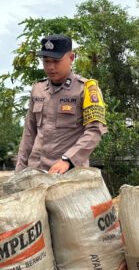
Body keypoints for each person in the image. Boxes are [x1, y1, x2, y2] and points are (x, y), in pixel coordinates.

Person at [15, 34, 107, 173]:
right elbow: (29, 133)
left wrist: (68, 160)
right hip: (35, 173)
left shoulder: (87, 89)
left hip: (69, 174)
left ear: (71, 58)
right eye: (46, 61)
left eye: (56, 61)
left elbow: (95, 130)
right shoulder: (38, 89)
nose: (50, 67)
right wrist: (19, 171)